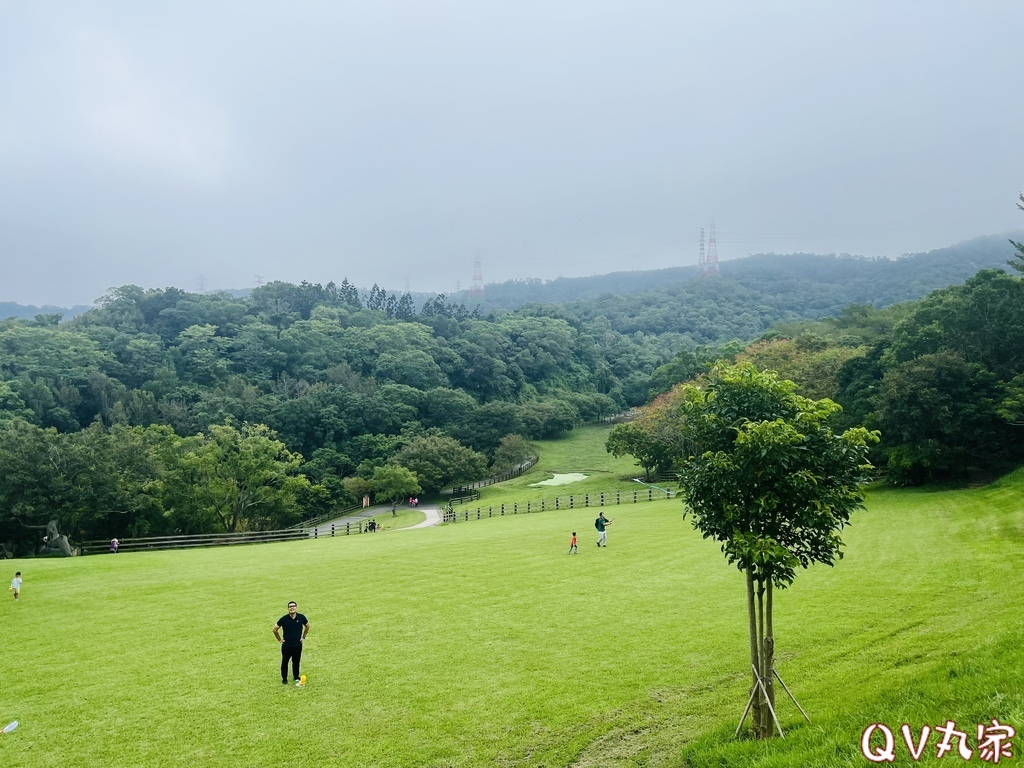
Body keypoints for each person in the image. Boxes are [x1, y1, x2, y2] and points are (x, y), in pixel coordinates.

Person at [273, 601, 310, 685]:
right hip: (287, 646)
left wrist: (303, 636)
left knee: (296, 662)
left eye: (293, 606)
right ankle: (284, 679)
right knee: (285, 662)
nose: (292, 608)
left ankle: (296, 677)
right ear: (288, 608)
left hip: (297, 645)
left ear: (296, 607)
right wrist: (279, 639)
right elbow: (274, 629)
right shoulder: (284, 619)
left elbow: (307, 626)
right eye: (290, 606)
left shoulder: (301, 617)